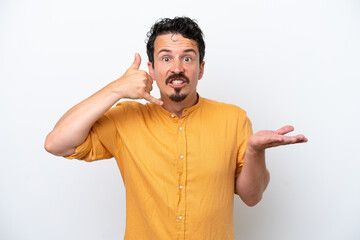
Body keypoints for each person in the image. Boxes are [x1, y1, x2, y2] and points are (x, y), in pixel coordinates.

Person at [45, 17, 307, 240]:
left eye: (188, 58)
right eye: (166, 58)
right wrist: (116, 89)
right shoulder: (124, 119)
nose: (177, 68)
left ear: (201, 69)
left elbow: (252, 197)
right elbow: (56, 143)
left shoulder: (234, 118)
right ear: (151, 69)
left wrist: (254, 152)